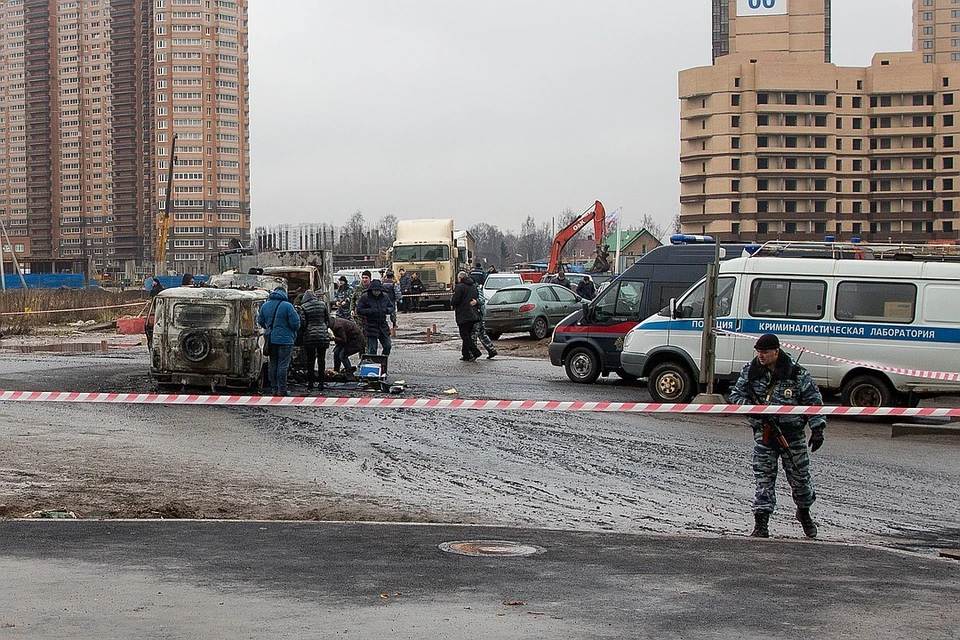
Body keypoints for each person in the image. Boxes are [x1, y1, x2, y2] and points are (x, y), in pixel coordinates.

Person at [729, 333, 826, 539]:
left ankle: (804, 513)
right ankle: (761, 524)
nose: (761, 356)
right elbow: (736, 396)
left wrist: (817, 429)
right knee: (763, 480)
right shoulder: (751, 371)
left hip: (792, 435)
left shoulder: (797, 374)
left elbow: (813, 402)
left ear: (776, 351)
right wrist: (755, 409)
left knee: (800, 478)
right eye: (758, 352)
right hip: (764, 435)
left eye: (765, 352)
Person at [257, 286, 301, 397]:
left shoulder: (265, 305)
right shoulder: (288, 306)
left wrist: (268, 327)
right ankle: (282, 390)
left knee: (273, 364)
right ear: (284, 294)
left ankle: (274, 389)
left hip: (271, 339)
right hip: (286, 341)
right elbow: (296, 324)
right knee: (283, 365)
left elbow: (260, 321)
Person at [298, 290, 330, 392]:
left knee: (310, 360)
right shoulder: (322, 305)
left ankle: (310, 383)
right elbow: (327, 319)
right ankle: (321, 383)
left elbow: (303, 323)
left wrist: (303, 333)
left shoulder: (304, 307)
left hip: (310, 335)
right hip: (322, 335)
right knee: (322, 360)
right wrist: (324, 328)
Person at [356, 279, 394, 356]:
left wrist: (386, 310)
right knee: (372, 349)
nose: (377, 292)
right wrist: (370, 311)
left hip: (383, 324)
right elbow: (359, 310)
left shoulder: (385, 296)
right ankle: (373, 364)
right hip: (371, 325)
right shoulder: (365, 297)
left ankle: (382, 360)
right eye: (375, 291)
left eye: (378, 291)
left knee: (388, 346)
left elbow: (391, 307)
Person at [451, 271, 482, 362]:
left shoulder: (460, 287)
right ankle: (466, 354)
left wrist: (452, 303)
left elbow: (455, 300)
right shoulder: (473, 286)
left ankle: (475, 352)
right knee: (467, 335)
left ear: (460, 278)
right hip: (473, 314)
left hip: (463, 314)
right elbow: (476, 297)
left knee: (465, 335)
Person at [471, 283, 498, 359]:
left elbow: (482, 300)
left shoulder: (476, 288)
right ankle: (492, 350)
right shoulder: (475, 287)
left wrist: (476, 302)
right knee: (482, 334)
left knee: (474, 334)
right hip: (480, 314)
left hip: (479, 315)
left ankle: (473, 353)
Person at [350, 270, 372, 348]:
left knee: (368, 334)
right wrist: (352, 309)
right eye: (363, 278)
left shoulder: (372, 288)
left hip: (369, 315)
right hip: (358, 315)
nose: (364, 280)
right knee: (359, 334)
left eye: (366, 278)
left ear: (370, 279)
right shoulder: (357, 288)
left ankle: (368, 352)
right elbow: (353, 299)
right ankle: (361, 352)